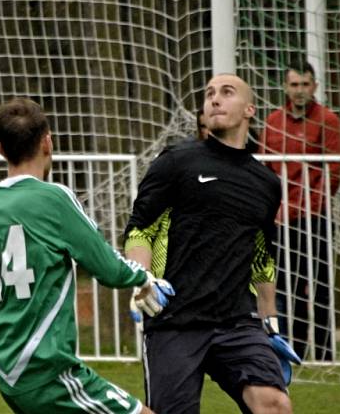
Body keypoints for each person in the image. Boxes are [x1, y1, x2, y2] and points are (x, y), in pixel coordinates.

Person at [0, 98, 170, 414]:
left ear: (0, 148)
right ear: (47, 142)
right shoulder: (53, 199)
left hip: (6, 367)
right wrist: (144, 277)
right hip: (46, 368)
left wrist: (2, 333)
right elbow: (108, 267)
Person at [125, 74, 298, 414]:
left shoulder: (266, 183)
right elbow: (139, 231)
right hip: (176, 320)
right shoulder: (176, 161)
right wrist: (142, 280)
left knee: (275, 405)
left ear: (249, 109)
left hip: (237, 322)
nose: (215, 99)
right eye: (209, 94)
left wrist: (270, 322)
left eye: (226, 92)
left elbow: (262, 258)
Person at [259, 59, 340, 361]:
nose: (299, 91)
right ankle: (295, 350)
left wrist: (315, 204)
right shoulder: (272, 122)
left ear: (315, 86)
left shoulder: (328, 120)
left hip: (314, 216)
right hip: (281, 218)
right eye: (294, 84)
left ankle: (323, 354)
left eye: (305, 84)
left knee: (319, 288)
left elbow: (335, 170)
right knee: (286, 287)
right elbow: (266, 169)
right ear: (286, 87)